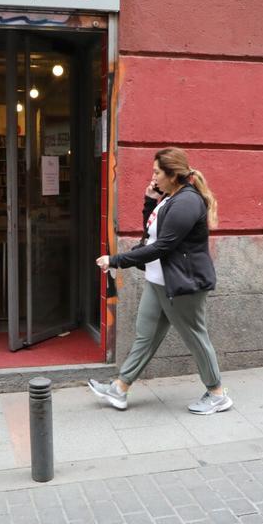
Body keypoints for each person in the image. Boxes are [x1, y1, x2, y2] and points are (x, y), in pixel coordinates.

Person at [89, 147, 231, 415]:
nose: (153, 176)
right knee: (146, 336)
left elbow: (163, 246)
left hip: (181, 284)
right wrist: (149, 201)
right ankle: (120, 388)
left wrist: (116, 260)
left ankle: (217, 393)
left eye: (157, 172)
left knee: (195, 337)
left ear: (172, 174)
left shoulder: (187, 202)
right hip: (158, 282)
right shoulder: (169, 199)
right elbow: (151, 235)